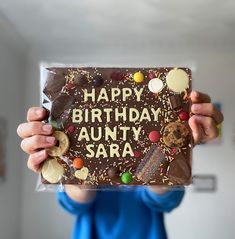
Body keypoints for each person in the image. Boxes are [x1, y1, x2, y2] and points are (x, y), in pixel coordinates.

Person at [17, 91, 223, 239]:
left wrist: (173, 146)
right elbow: (77, 200)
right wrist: (57, 148)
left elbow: (163, 197)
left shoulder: (148, 152)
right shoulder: (80, 137)